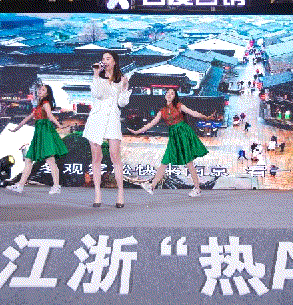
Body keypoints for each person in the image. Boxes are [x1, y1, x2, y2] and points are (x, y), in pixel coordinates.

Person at [129, 88, 213, 197]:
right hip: (174, 136)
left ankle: (197, 188)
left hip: (183, 133)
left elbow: (193, 113)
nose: (169, 94)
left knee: (189, 162)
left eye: (172, 93)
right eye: (168, 93)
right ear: (165, 95)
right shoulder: (162, 111)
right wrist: (137, 132)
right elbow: (151, 123)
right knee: (165, 160)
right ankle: (152, 186)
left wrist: (205, 117)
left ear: (174, 96)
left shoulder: (179, 106)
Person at [82, 51, 131, 208]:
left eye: (108, 58)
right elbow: (96, 94)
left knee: (115, 155)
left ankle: (120, 193)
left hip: (112, 119)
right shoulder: (98, 77)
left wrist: (125, 87)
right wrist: (96, 74)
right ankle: (97, 193)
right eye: (103, 59)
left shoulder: (121, 78)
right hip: (97, 118)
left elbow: (122, 103)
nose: (105, 61)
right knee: (96, 157)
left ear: (114, 61)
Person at [7, 84, 67, 194]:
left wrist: (59, 125)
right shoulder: (39, 106)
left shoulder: (46, 103)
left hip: (45, 132)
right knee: (29, 159)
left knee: (50, 160)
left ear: (47, 94)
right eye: (40, 89)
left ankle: (56, 186)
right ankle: (20, 186)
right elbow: (27, 118)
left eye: (43, 90)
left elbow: (50, 116)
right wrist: (16, 128)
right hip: (39, 134)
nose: (40, 91)